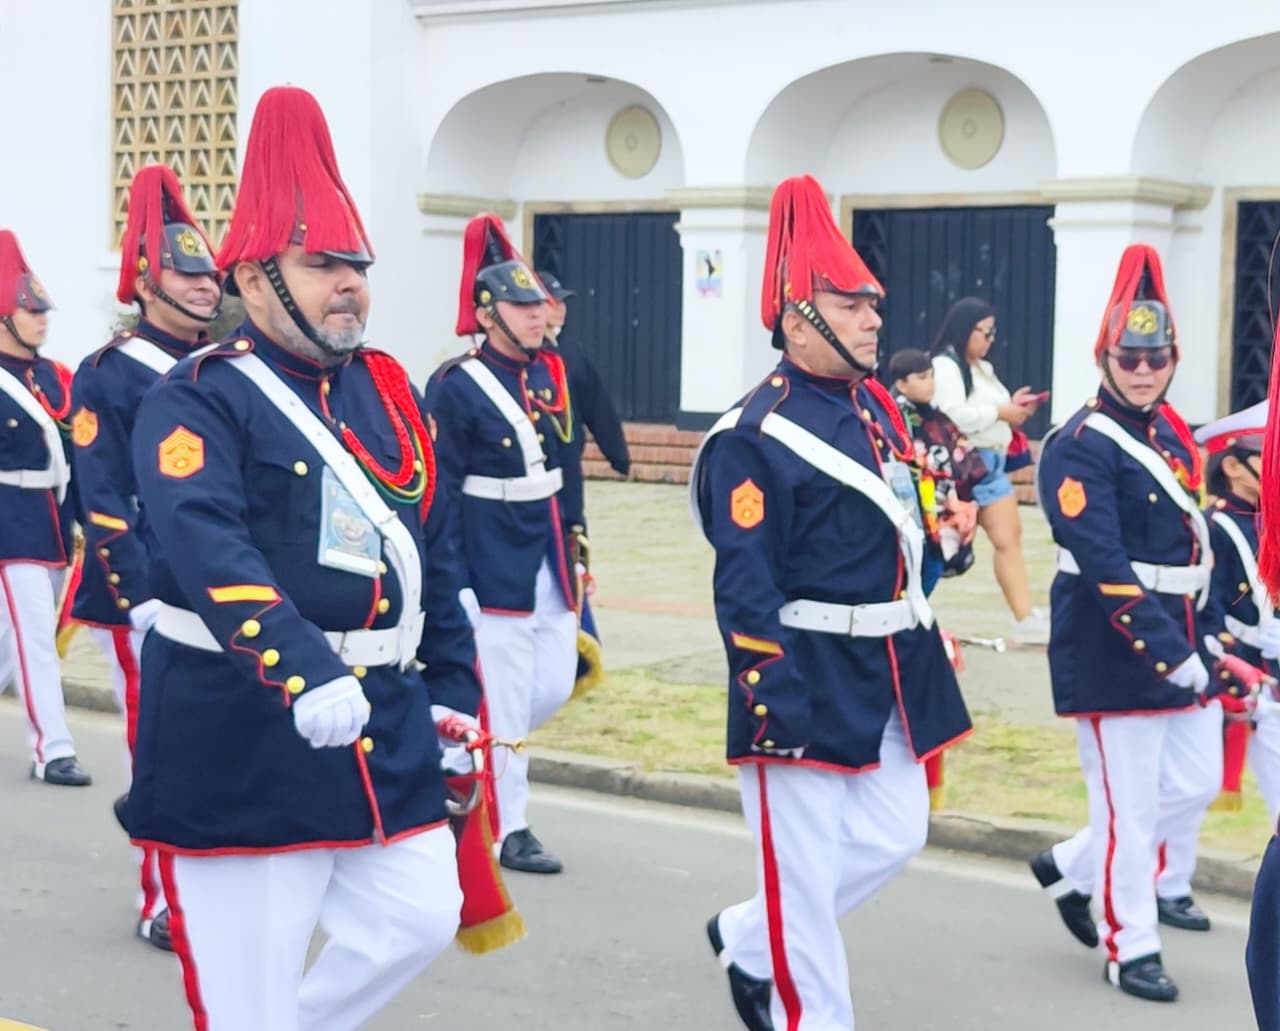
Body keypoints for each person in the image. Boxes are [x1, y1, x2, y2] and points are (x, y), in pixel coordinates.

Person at [126, 85, 480, 1030]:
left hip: (382, 726)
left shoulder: (388, 389)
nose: (350, 283)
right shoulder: (199, 397)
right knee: (250, 998)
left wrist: (452, 681)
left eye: (356, 263)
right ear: (253, 279)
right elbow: (207, 540)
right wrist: (302, 663)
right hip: (243, 724)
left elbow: (428, 547)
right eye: (322, 264)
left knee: (421, 914)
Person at [693, 174, 971, 1031]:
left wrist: (945, 543)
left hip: (888, 663)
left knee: (897, 833)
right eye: (850, 304)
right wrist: (767, 689)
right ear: (794, 314)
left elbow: (893, 512)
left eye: (871, 304)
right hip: (803, 672)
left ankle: (748, 934)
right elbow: (744, 581)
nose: (873, 319)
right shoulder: (752, 434)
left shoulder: (877, 406)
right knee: (807, 890)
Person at [1028, 244, 1219, 1003]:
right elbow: (1104, 561)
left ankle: (1073, 865)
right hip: (1116, 645)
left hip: (1184, 629)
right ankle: (1128, 942)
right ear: (1104, 357)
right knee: (1131, 811)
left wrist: (1206, 640)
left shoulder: (1171, 434)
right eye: (1128, 357)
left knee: (1196, 782)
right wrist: (1172, 654)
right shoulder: (1078, 445)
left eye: (1156, 357)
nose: (1143, 370)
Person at [69, 163, 221, 951]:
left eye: (206, 274)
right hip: (149, 593)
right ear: (143, 282)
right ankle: (160, 899)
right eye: (184, 275)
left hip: (220, 588)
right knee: (158, 741)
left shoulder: (223, 363)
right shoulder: (108, 372)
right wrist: (140, 596)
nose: (204, 286)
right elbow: (101, 498)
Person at [424, 216, 580, 875]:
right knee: (509, 695)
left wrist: (578, 545)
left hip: (547, 548)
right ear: (488, 315)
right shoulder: (455, 385)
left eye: (538, 305)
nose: (537, 315)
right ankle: (509, 826)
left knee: (552, 683)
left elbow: (568, 466)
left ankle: (454, 759)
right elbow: (443, 489)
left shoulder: (551, 375)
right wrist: (451, 574)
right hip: (490, 557)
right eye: (521, 306)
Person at [0, 230, 89, 787]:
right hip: (9, 522)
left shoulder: (56, 377)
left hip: (53, 520)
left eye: (41, 310)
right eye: (29, 311)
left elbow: (79, 452)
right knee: (34, 636)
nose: (41, 319)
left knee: (11, 642)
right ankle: (52, 748)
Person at [930, 298, 1046, 644]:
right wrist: (1000, 411)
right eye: (986, 332)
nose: (991, 339)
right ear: (966, 330)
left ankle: (1025, 617)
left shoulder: (982, 368)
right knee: (944, 547)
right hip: (967, 466)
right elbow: (951, 414)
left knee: (1009, 537)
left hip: (990, 465)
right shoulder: (946, 366)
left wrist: (1013, 407)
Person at [1195, 403, 1280, 822]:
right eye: (1268, 456)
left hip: (1272, 672)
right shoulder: (1215, 526)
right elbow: (1208, 606)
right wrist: (1227, 661)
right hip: (1237, 672)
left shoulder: (1270, 520)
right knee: (1189, 789)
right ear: (1232, 465)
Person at [889, 347, 985, 593]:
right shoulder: (895, 416)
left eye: (931, 375)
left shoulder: (933, 413)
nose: (930, 383)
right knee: (915, 578)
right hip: (912, 511)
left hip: (940, 510)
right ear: (901, 383)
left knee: (930, 570)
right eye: (921, 378)